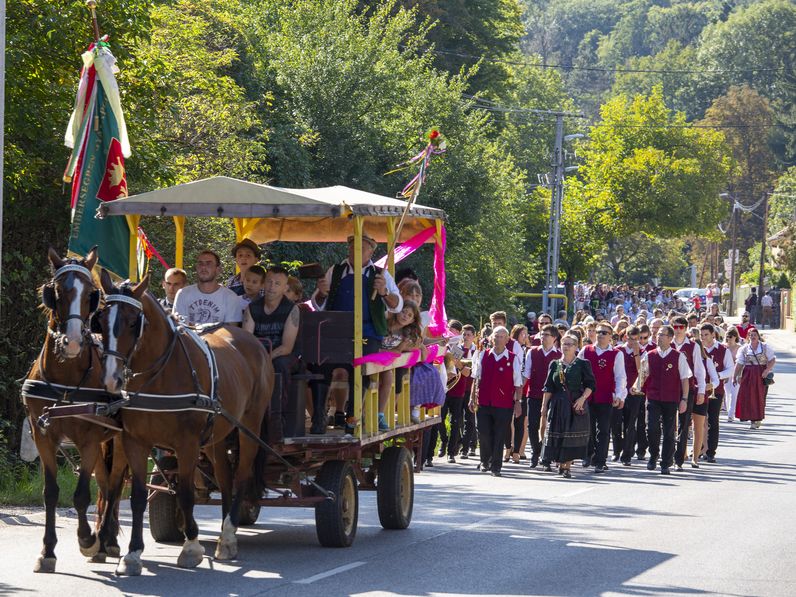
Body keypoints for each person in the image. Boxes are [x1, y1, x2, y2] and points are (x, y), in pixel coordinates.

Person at [313, 233, 403, 432]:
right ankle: (318, 417)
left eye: (362, 248)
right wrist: (321, 293)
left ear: (371, 251)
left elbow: (398, 306)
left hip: (368, 333)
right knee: (320, 363)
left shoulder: (381, 274)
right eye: (353, 247)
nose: (356, 252)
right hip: (337, 332)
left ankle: (351, 420)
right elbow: (318, 305)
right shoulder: (336, 271)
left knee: (359, 368)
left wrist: (384, 293)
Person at [243, 265, 301, 440]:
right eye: (269, 282)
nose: (271, 287)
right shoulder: (252, 308)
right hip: (257, 354)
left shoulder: (292, 310)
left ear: (285, 288)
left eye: (277, 283)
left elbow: (287, 347)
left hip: (282, 356)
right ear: (263, 284)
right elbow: (247, 340)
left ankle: (277, 418)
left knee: (279, 366)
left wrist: (265, 359)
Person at [469, 326, 523, 477]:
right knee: (484, 432)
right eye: (496, 336)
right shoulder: (482, 355)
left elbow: (518, 383)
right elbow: (476, 378)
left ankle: (496, 466)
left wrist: (518, 402)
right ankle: (485, 460)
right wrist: (472, 398)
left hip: (504, 404)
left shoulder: (513, 358)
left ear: (507, 340)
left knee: (499, 435)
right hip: (484, 401)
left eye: (501, 337)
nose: (498, 339)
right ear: (491, 338)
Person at [540, 333, 595, 478]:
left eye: (570, 344)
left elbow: (590, 385)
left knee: (570, 434)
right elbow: (549, 387)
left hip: (574, 403)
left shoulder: (583, 363)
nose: (566, 347)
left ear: (576, 347)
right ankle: (559, 462)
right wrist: (544, 406)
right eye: (564, 344)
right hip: (557, 403)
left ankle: (567, 466)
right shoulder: (554, 364)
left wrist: (582, 399)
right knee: (558, 433)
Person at [642, 325, 692, 475]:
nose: (658, 337)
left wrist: (684, 399)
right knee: (651, 428)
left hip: (671, 398)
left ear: (670, 338)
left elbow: (685, 379)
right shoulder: (649, 355)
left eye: (662, 335)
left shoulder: (678, 356)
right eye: (657, 334)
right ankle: (653, 454)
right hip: (654, 397)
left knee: (669, 431)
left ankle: (666, 462)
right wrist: (635, 385)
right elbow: (643, 374)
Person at [578, 322, 627, 474]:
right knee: (588, 428)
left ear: (610, 336)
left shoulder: (616, 353)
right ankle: (588, 455)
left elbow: (620, 377)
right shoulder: (586, 350)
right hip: (588, 396)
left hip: (606, 397)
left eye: (604, 333)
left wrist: (619, 395)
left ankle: (601, 460)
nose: (600, 335)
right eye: (598, 332)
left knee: (604, 430)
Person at [671, 316, 707, 471]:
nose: (677, 330)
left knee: (684, 425)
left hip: (688, 389)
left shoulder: (693, 346)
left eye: (680, 327)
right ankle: (669, 455)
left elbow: (699, 370)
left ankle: (679, 459)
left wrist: (701, 391)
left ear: (685, 328)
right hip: (669, 390)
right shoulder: (668, 344)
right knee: (670, 424)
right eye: (675, 326)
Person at [524, 324, 561, 469]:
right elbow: (526, 374)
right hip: (533, 394)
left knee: (549, 427)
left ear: (554, 338)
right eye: (542, 334)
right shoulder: (532, 352)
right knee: (532, 425)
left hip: (552, 396)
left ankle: (546, 457)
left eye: (546, 335)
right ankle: (536, 451)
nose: (543, 337)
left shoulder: (559, 355)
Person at [173, 250, 243, 325]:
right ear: (196, 268)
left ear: (218, 269)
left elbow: (231, 331)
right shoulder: (183, 294)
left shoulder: (230, 297)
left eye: (208, 264)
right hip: (188, 337)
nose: (203, 267)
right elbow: (179, 328)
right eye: (200, 263)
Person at [700, 323, 734, 463]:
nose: (703, 338)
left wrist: (716, 376)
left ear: (713, 335)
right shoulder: (698, 348)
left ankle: (711, 451)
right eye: (701, 335)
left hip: (716, 390)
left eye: (706, 335)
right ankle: (700, 448)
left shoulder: (722, 349)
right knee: (699, 420)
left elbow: (730, 369)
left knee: (713, 420)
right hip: (701, 389)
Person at [444, 323, 477, 463]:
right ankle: (452, 447)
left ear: (474, 336)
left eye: (469, 334)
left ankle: (466, 447)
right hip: (457, 387)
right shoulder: (458, 349)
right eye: (464, 334)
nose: (466, 337)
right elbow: (453, 364)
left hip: (470, 388)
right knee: (455, 419)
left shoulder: (477, 351)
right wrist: (461, 366)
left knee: (469, 420)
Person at [734, 327, 776, 429]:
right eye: (751, 335)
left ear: (758, 336)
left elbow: (772, 360)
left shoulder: (765, 347)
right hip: (748, 375)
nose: (753, 337)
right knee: (748, 397)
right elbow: (739, 363)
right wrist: (735, 376)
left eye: (754, 335)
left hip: (760, 375)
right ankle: (751, 419)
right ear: (748, 336)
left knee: (759, 397)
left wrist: (766, 370)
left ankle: (757, 418)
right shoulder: (744, 349)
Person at [615, 326, 644, 466]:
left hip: (633, 392)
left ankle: (627, 454)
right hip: (620, 391)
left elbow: (641, 371)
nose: (632, 341)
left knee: (630, 424)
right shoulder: (618, 350)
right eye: (630, 338)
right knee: (616, 423)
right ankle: (617, 450)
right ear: (625, 336)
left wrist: (637, 353)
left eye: (635, 339)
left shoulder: (642, 351)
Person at [723, 328, 741, 422]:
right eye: (727, 337)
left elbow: (741, 362)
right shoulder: (724, 347)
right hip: (726, 373)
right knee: (727, 393)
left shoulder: (739, 348)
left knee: (734, 394)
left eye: (730, 337)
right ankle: (729, 412)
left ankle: (731, 413)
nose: (728, 339)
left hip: (736, 373)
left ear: (735, 337)